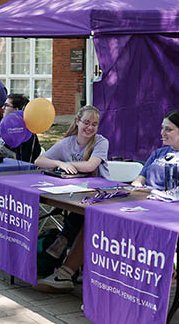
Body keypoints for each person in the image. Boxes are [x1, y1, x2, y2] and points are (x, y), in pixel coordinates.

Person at [34, 105, 109, 293]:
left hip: (101, 196)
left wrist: (66, 164)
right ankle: (62, 258)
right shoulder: (67, 142)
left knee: (81, 214)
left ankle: (61, 250)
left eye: (94, 124)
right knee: (76, 212)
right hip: (74, 193)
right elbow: (38, 161)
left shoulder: (101, 142)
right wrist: (58, 163)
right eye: (86, 123)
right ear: (77, 121)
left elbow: (90, 165)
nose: (90, 128)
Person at [132, 109, 179, 193]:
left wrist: (155, 195)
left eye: (168, 129)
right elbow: (140, 179)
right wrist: (134, 192)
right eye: (162, 128)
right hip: (147, 199)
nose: (162, 133)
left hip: (171, 203)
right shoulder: (158, 153)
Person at [0, 94, 41, 162]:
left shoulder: (27, 133)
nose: (2, 108)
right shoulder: (6, 127)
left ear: (16, 110)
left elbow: (23, 161)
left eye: (6, 105)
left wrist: (0, 147)